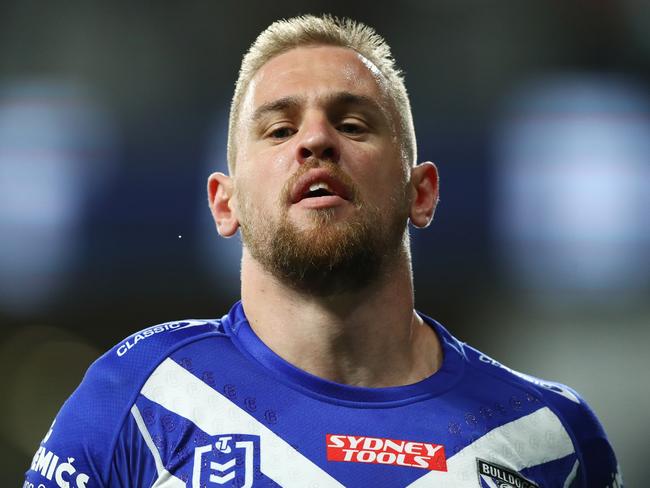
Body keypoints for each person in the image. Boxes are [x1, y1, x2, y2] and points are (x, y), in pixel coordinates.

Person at [24, 14, 622, 488]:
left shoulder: (552, 437)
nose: (316, 139)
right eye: (280, 130)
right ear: (224, 204)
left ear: (422, 192)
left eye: (354, 124)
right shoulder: (138, 396)